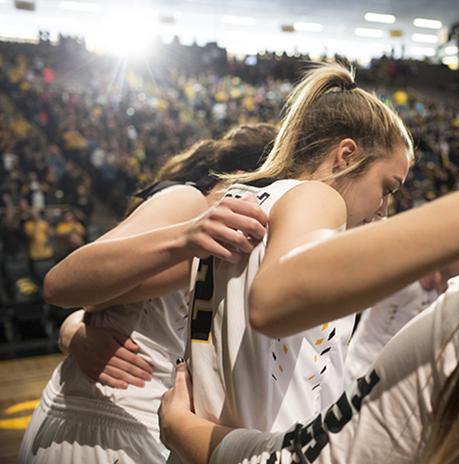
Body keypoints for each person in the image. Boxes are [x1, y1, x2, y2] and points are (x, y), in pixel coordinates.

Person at [161, 53, 459, 464]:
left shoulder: (234, 200)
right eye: (386, 188)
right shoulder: (314, 197)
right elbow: (275, 301)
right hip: (259, 448)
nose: (384, 209)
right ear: (345, 156)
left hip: (204, 442)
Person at [18, 124, 277, 463]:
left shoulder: (243, 240)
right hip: (108, 421)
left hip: (149, 423)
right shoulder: (189, 201)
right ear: (242, 177)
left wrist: (74, 328)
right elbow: (66, 285)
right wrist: (75, 329)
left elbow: (106, 302)